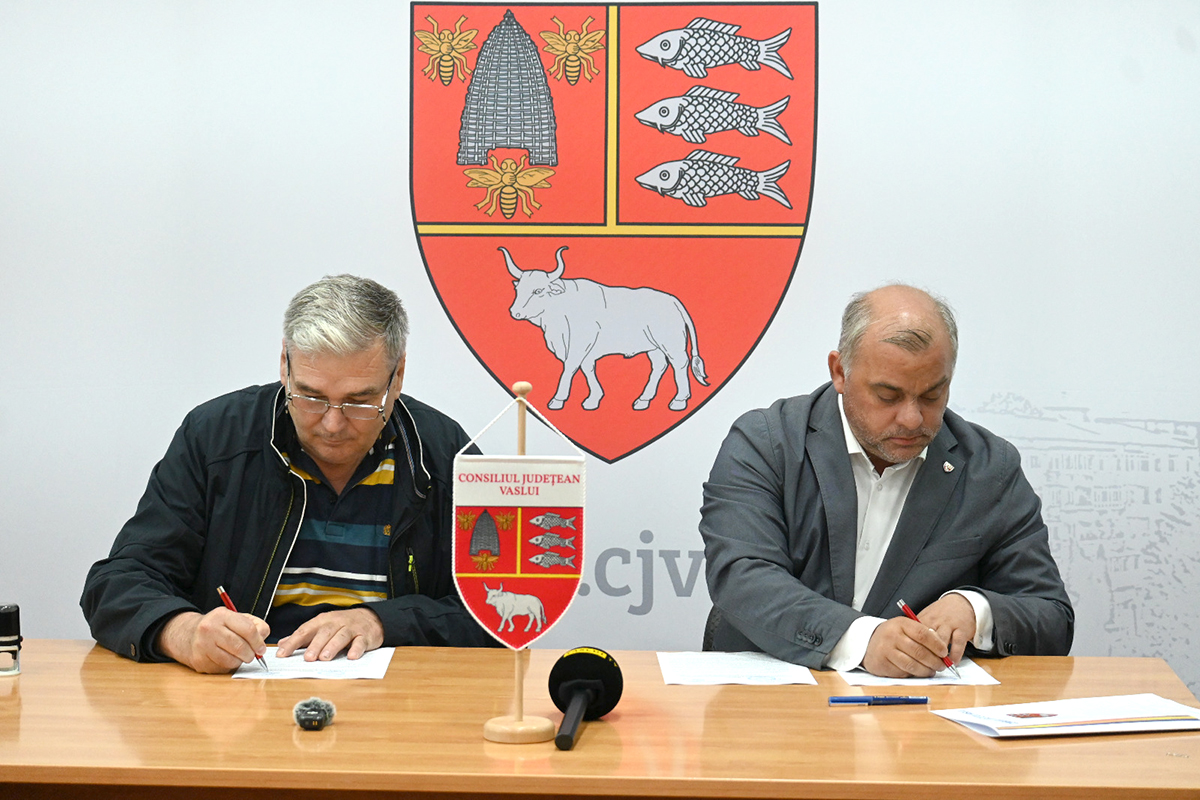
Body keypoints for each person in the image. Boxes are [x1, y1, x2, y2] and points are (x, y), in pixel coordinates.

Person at [82, 275, 496, 673]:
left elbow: (500, 609)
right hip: (240, 701)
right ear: (285, 365)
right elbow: (117, 583)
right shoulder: (217, 439)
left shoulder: (444, 456)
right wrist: (184, 633)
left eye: (359, 401)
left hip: (397, 704)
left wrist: (382, 621)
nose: (332, 424)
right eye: (311, 396)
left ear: (398, 376)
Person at [700, 284, 1073, 677]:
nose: (912, 419)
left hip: (920, 711)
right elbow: (742, 577)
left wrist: (975, 610)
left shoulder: (989, 469)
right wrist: (863, 640)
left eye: (932, 395)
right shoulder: (766, 444)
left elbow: (1050, 616)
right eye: (888, 396)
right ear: (840, 372)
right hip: (765, 699)